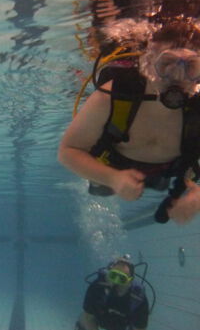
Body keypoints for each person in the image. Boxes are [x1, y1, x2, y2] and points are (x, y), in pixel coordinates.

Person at [58, 18, 200, 224]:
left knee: (164, 183)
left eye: (191, 67)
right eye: (166, 64)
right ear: (147, 64)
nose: (178, 77)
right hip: (114, 164)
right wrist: (112, 178)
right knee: (102, 189)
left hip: (169, 169)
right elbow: (68, 151)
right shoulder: (112, 96)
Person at [75, 257, 149, 330]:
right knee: (84, 318)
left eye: (122, 278)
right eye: (113, 276)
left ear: (130, 281)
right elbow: (88, 317)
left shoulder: (138, 299)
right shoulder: (97, 287)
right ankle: (83, 328)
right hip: (100, 316)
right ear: (108, 274)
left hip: (120, 324)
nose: (116, 282)